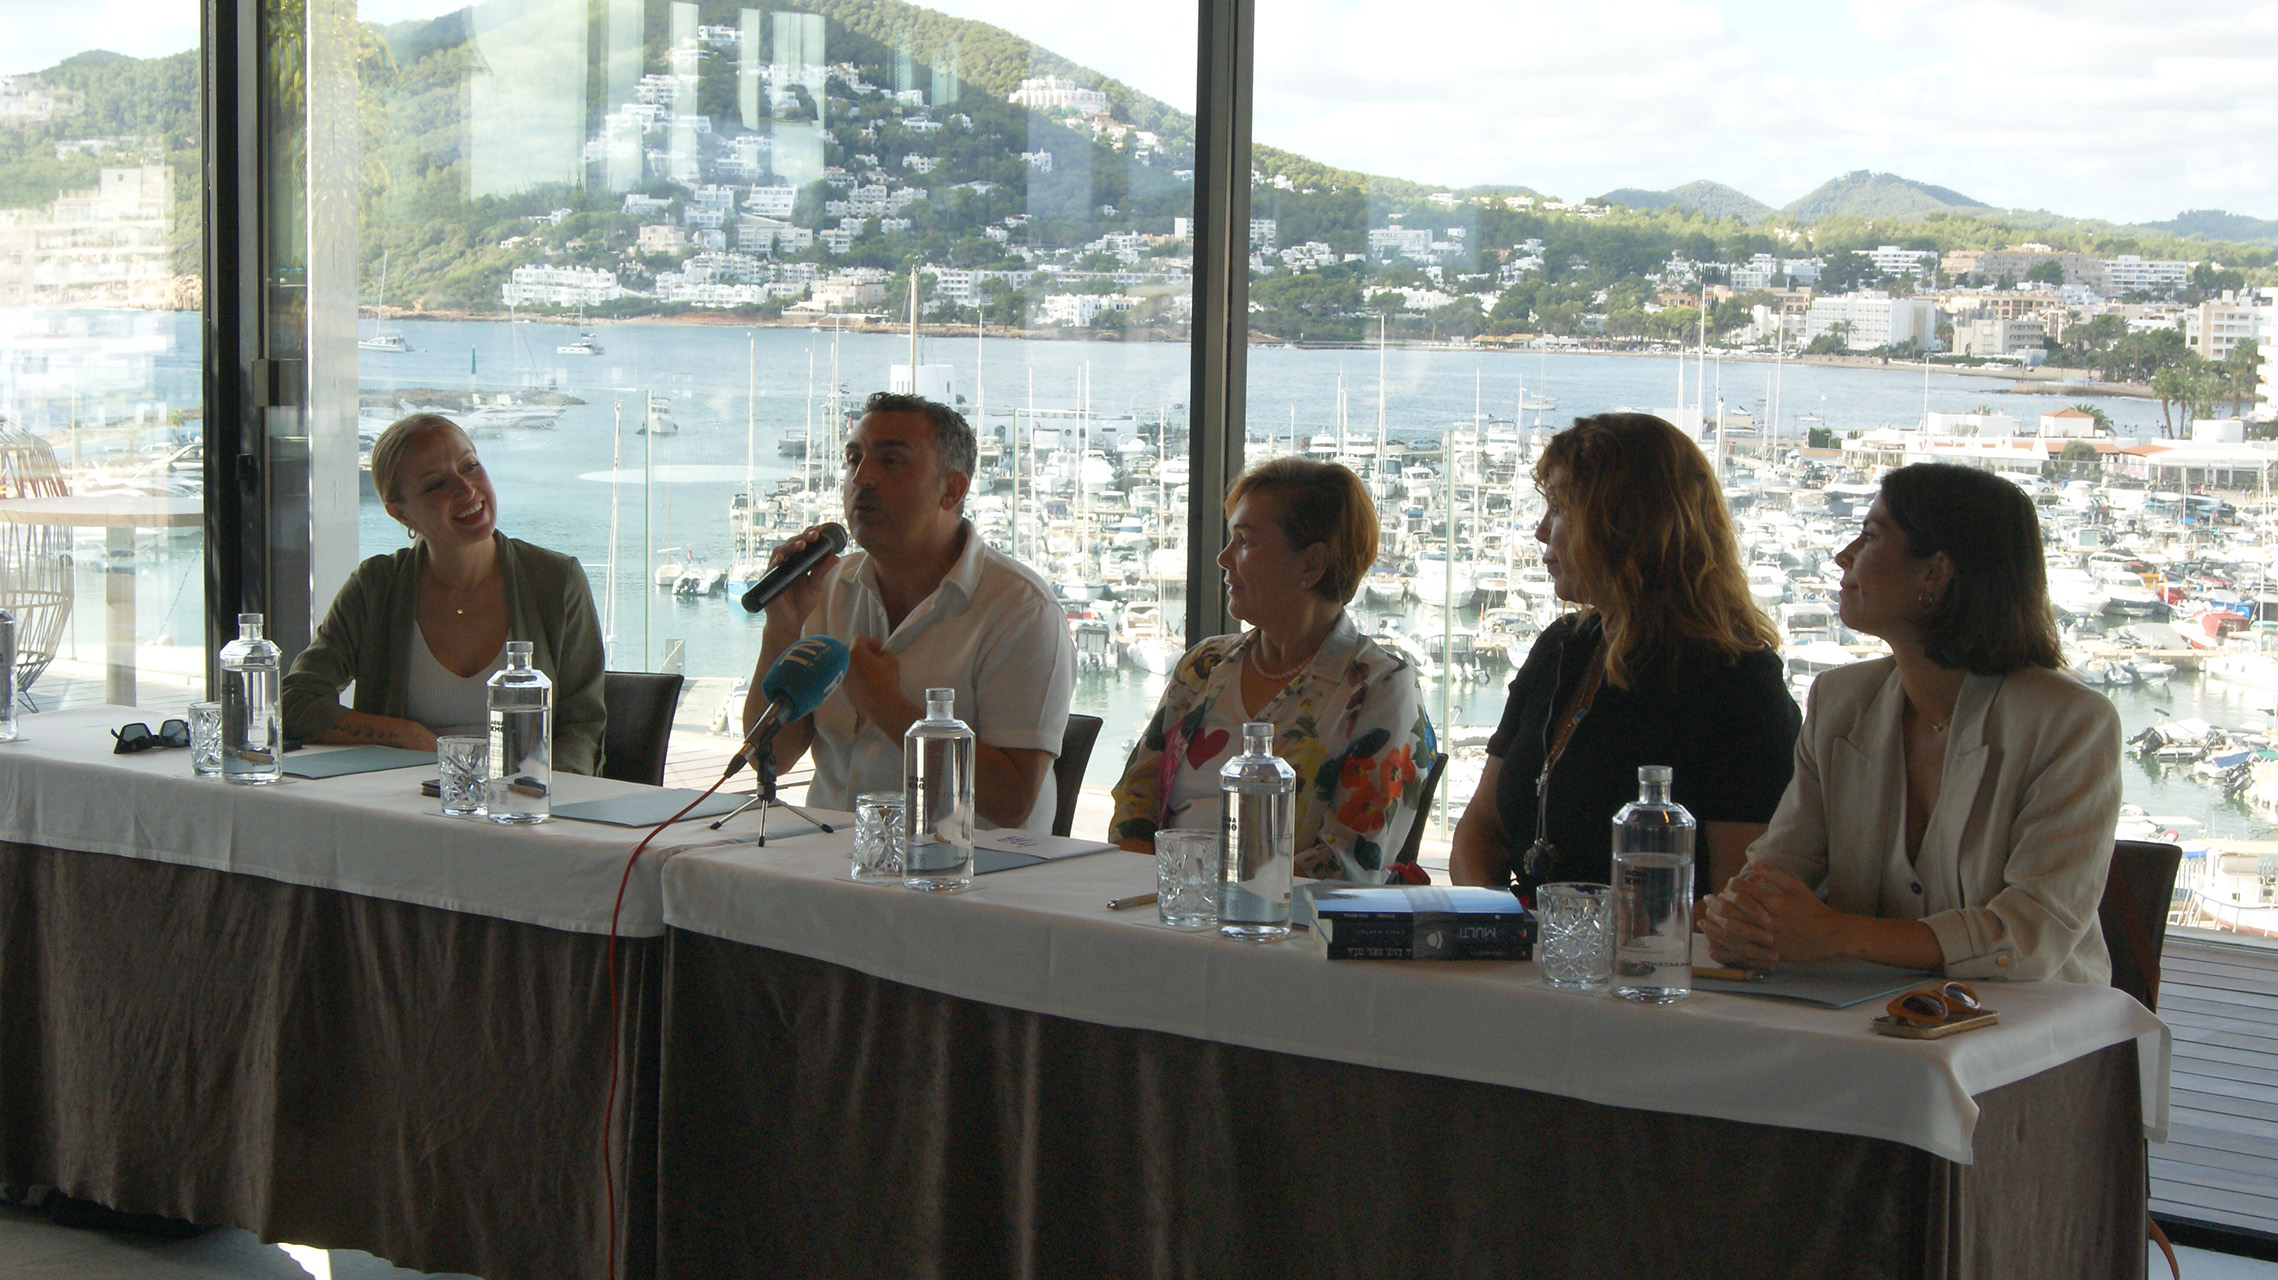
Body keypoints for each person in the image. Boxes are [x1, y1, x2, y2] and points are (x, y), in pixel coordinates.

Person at [1701, 464, 2120, 984]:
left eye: (1871, 536)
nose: (1843, 555)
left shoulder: (2070, 723)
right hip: (1862, 1019)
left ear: (1935, 573)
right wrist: (1742, 916)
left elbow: (2031, 936)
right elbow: (1777, 867)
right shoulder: (1839, 702)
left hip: (2033, 1036)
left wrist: (1837, 933)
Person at [1449, 413, 1799, 898]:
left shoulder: (1735, 681)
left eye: (1560, 509)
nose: (1540, 531)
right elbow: (1479, 830)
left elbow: (1734, 899)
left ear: (1626, 526)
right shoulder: (1562, 647)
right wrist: (1497, 929)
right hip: (1529, 958)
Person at [747, 392, 1075, 832]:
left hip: (966, 882)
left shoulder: (1021, 610)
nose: (862, 478)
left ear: (951, 489)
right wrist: (782, 628)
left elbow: (1010, 801)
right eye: (853, 459)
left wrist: (885, 705)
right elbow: (771, 756)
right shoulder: (830, 589)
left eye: (891, 461)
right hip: (831, 862)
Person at [1109, 458, 1436, 883]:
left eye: (1245, 542)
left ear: (1311, 565)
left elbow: (1349, 863)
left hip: (1285, 935)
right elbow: (1136, 801)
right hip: (1167, 909)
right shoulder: (1205, 666)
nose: (1224, 558)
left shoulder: (1378, 686)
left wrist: (1207, 892)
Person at [282, 413, 608, 774]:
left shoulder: (556, 580)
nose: (466, 489)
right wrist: (406, 736)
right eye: (436, 484)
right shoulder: (374, 587)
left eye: (470, 466)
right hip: (405, 803)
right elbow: (296, 703)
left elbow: (582, 727)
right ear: (400, 514)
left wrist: (534, 792)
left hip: (527, 804)